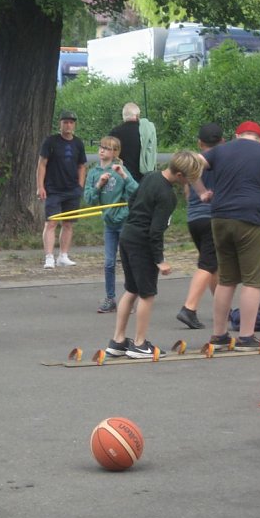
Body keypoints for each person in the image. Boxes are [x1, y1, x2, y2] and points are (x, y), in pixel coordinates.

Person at [192, 121, 260, 353]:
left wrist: (202, 192)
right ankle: (246, 337)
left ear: (237, 135)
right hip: (250, 219)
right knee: (252, 280)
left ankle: (218, 335)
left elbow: (191, 166)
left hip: (219, 219)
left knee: (226, 279)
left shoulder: (220, 150)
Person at [105, 151, 203, 359]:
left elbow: (132, 201)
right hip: (142, 243)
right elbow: (155, 231)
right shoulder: (167, 196)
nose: (189, 183)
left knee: (131, 289)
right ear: (179, 175)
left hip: (127, 235)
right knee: (147, 294)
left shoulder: (151, 176)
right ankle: (139, 344)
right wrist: (160, 260)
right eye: (189, 179)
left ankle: (118, 340)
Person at [83, 135, 139, 313]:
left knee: (128, 261)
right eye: (101, 147)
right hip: (109, 224)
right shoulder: (93, 173)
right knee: (108, 263)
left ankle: (129, 298)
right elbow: (89, 200)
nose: (101, 150)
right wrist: (99, 184)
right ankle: (110, 298)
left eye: (106, 148)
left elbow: (136, 193)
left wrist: (123, 175)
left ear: (115, 152)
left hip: (124, 222)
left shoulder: (120, 170)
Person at [176, 123, 223, 330]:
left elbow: (187, 191)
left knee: (213, 265)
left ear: (199, 143)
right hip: (211, 217)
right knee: (207, 265)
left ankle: (221, 306)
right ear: (222, 142)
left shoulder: (193, 161)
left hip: (193, 218)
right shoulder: (223, 159)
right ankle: (189, 307)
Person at [36, 110, 87, 269]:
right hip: (53, 189)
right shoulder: (51, 141)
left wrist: (80, 185)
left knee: (68, 224)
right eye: (65, 122)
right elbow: (42, 164)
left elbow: (82, 166)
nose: (68, 125)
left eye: (71, 122)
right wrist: (40, 186)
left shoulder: (78, 143)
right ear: (60, 124)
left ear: (74, 125)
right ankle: (49, 257)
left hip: (72, 189)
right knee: (51, 223)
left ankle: (63, 255)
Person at [109, 102, 157, 183]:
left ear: (123, 116)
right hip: (143, 177)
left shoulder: (115, 132)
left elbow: (110, 155)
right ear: (138, 116)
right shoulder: (145, 133)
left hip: (122, 175)